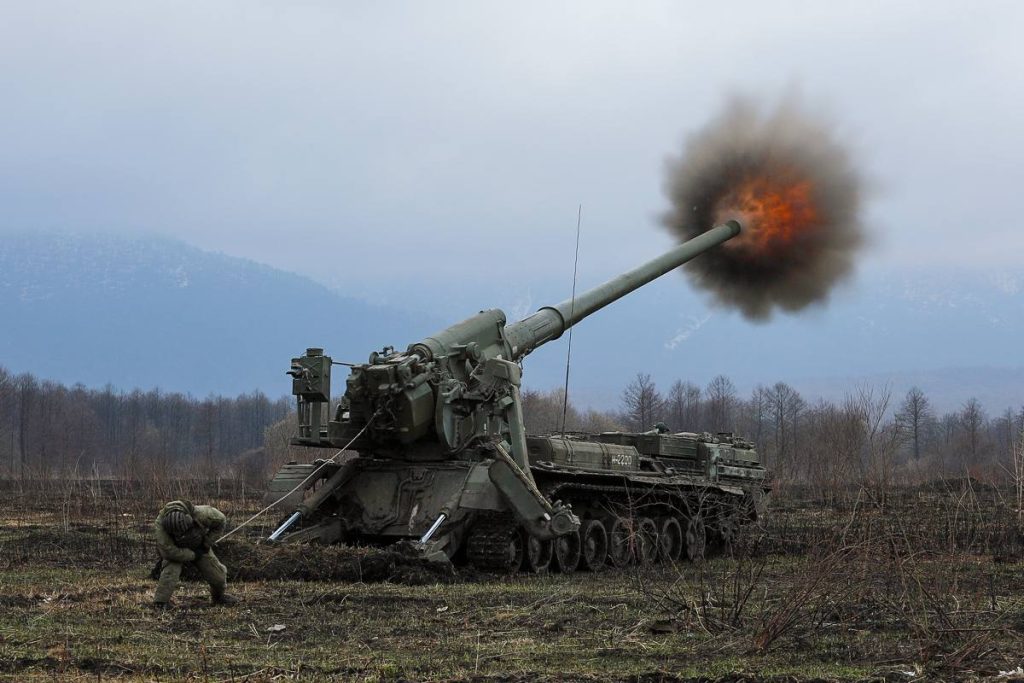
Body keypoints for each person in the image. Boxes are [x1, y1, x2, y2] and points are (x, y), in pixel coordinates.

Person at [152, 500, 239, 607]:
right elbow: (169, 551)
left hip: (199, 546)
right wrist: (193, 555)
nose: (180, 535)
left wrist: (206, 543)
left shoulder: (204, 514)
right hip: (176, 551)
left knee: (218, 576)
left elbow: (221, 521)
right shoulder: (160, 525)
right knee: (170, 574)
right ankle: (161, 602)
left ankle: (219, 597)